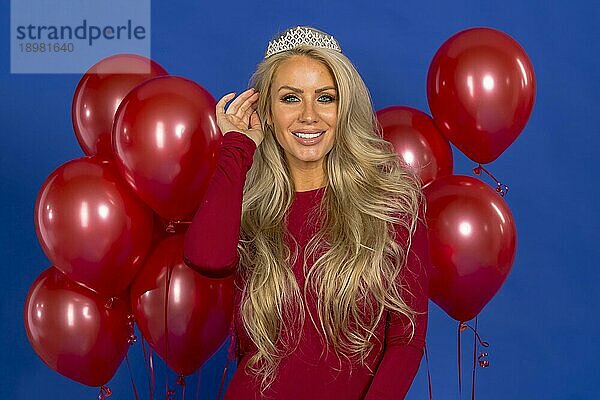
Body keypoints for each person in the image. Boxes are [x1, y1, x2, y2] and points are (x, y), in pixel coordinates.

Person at [183, 25, 430, 399]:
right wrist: (236, 145)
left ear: (343, 107)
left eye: (325, 98)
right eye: (290, 98)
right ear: (266, 110)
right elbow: (206, 258)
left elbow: (405, 341)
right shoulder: (246, 206)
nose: (309, 116)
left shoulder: (390, 203)